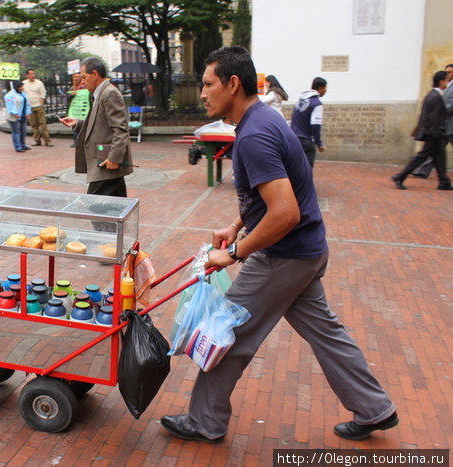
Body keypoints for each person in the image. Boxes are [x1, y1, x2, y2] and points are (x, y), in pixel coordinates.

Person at [160, 46, 397, 443]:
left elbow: (284, 213)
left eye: (207, 84)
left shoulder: (254, 134)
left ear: (233, 84)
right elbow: (269, 197)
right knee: (327, 333)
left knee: (229, 333)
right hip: (305, 251)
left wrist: (234, 253)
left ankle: (205, 420)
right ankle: (375, 409)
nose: (201, 93)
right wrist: (236, 224)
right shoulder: (263, 119)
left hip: (283, 256)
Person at [60, 57, 133, 198]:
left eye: (84, 77)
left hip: (106, 160)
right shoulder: (98, 94)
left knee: (96, 207)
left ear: (95, 74)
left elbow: (121, 129)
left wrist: (114, 158)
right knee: (115, 208)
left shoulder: (109, 93)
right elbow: (99, 123)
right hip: (104, 158)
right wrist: (78, 123)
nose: (82, 82)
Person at [391, 71, 451, 190]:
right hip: (434, 133)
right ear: (441, 81)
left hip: (434, 133)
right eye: (447, 80)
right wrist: (436, 133)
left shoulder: (432, 95)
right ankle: (400, 176)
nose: (448, 83)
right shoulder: (435, 97)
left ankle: (444, 181)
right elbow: (433, 118)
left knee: (440, 158)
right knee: (421, 157)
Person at [290, 77, 327, 167]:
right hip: (306, 141)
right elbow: (316, 125)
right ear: (320, 88)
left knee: (295, 167)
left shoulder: (300, 100)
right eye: (325, 88)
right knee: (307, 169)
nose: (325, 91)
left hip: (293, 137)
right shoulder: (316, 103)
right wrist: (319, 143)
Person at [22, 69, 52, 146]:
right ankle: (37, 140)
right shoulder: (24, 83)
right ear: (27, 75)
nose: (33, 75)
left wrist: (42, 101)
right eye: (31, 74)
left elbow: (43, 92)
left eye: (34, 74)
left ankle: (47, 140)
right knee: (33, 124)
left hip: (38, 105)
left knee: (43, 123)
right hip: (29, 106)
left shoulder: (39, 83)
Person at [4, 80, 31, 152]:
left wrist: (28, 112)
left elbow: (27, 103)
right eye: (20, 87)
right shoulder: (9, 95)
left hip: (23, 115)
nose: (22, 88)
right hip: (14, 117)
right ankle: (18, 146)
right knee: (16, 131)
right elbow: (10, 106)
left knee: (23, 130)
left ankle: (23, 144)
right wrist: (15, 113)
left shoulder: (23, 94)